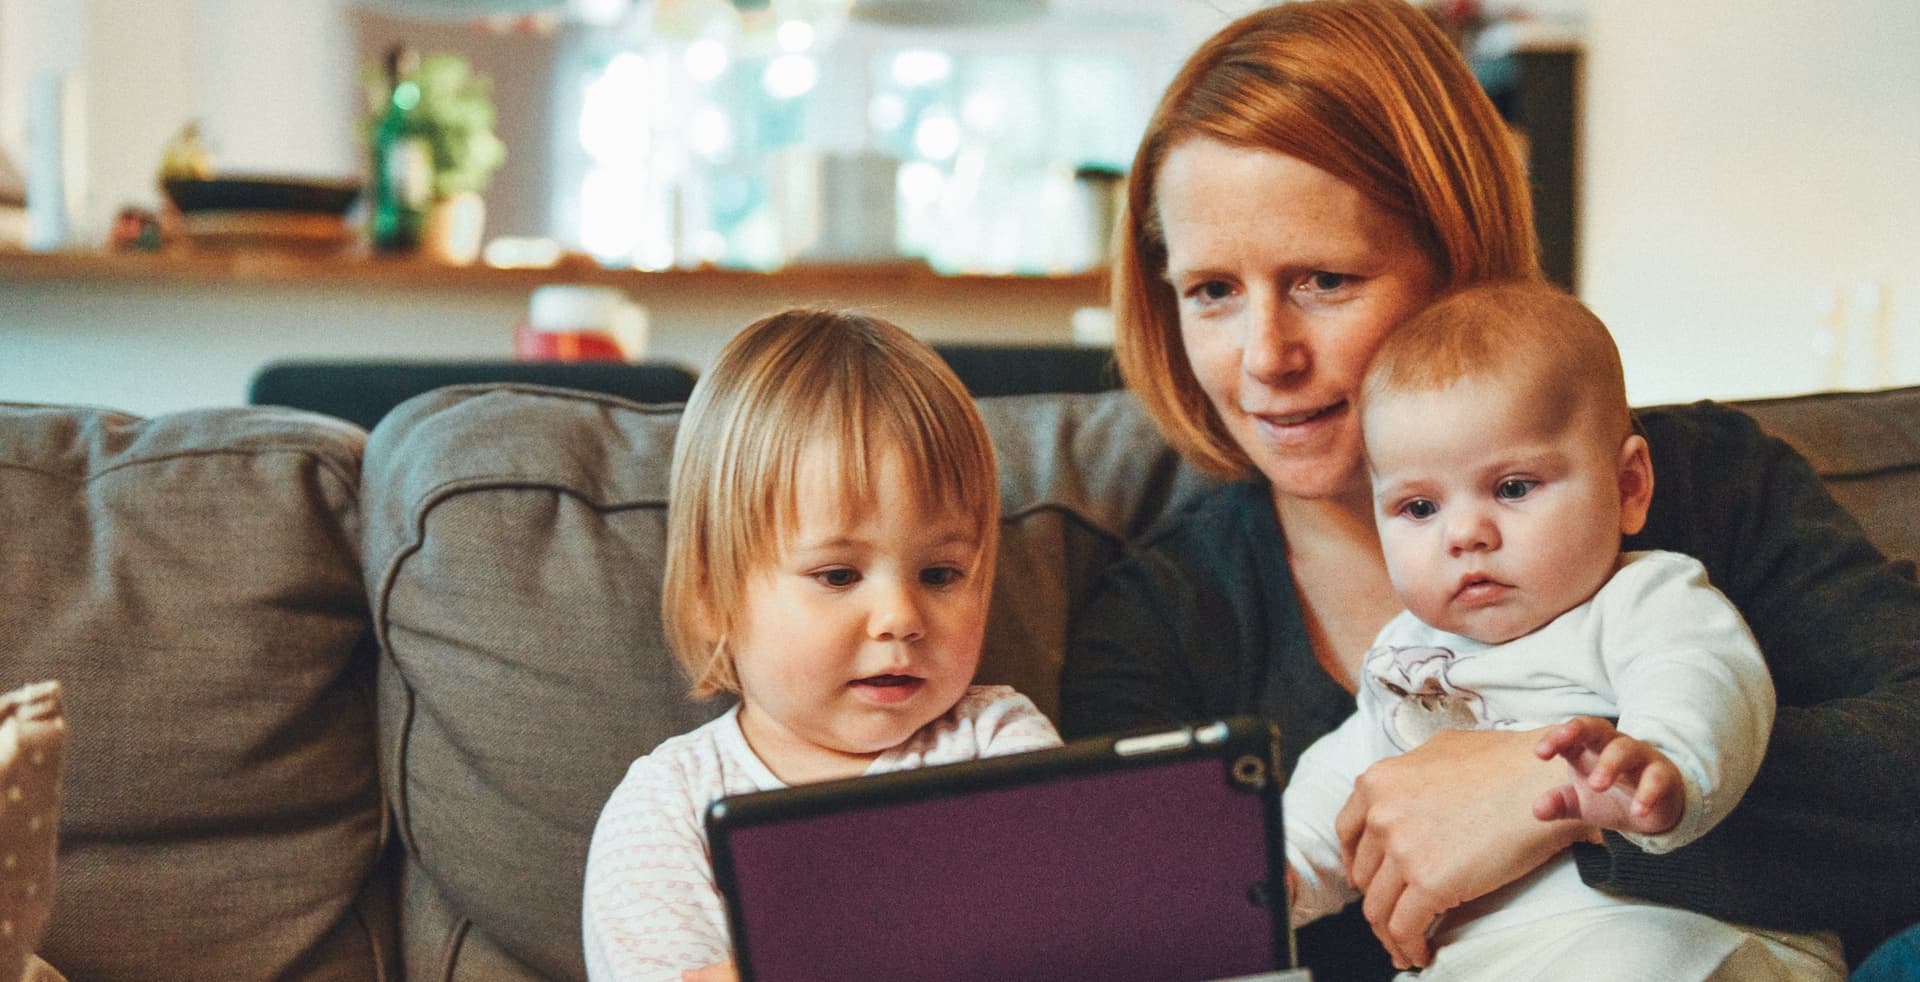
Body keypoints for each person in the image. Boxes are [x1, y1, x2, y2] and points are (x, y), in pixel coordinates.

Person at [1058, 0, 1920, 976]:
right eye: (1213, 290)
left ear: (1455, 255)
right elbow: (1159, 926)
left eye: (1324, 280)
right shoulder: (1160, 623)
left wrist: (1550, 795)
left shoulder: (1707, 484)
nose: (1266, 358)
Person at [1281, 281, 1842, 980]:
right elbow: (1346, 777)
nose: (1465, 535)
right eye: (1419, 506)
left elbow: (1703, 679)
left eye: (1513, 488)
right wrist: (1284, 873)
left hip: (1662, 936)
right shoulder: (1405, 654)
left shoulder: (1643, 597)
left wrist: (1659, 769)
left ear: (1629, 486)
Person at [582, 309, 1062, 981]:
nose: (900, 618)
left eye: (941, 574)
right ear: (710, 596)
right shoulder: (668, 807)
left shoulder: (998, 742)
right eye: (837, 575)